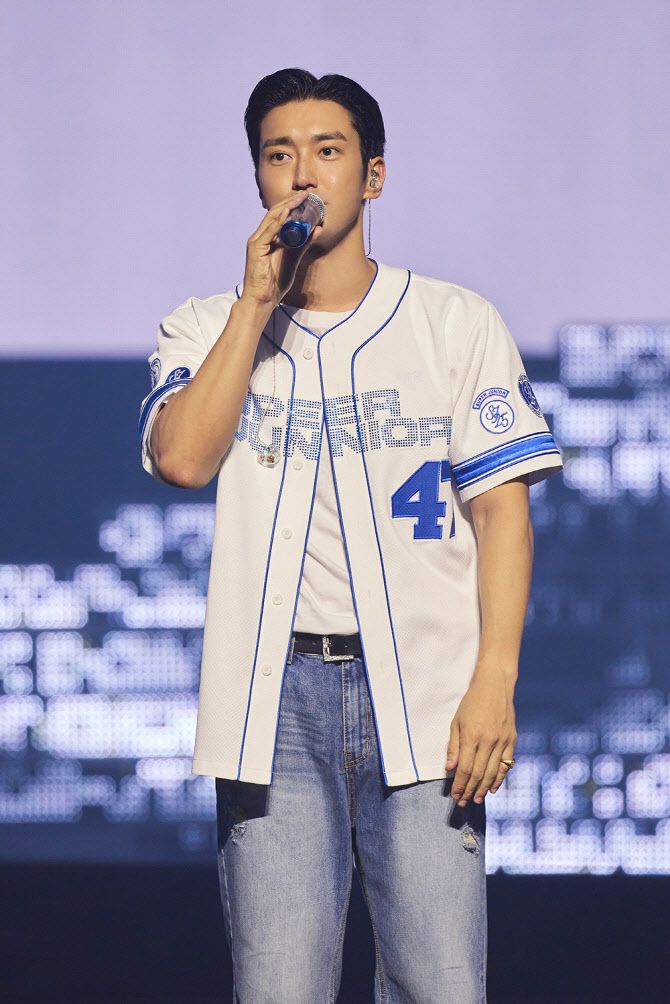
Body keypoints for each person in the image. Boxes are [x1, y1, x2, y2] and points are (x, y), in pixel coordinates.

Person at [139, 68, 563, 1003]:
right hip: (274, 707)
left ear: (372, 175)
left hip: (427, 693)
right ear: (258, 177)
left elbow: (503, 511)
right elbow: (183, 460)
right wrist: (255, 304)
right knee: (277, 988)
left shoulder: (454, 321)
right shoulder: (206, 325)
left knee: (438, 985)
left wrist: (495, 681)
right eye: (279, 155)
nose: (302, 174)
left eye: (327, 151)